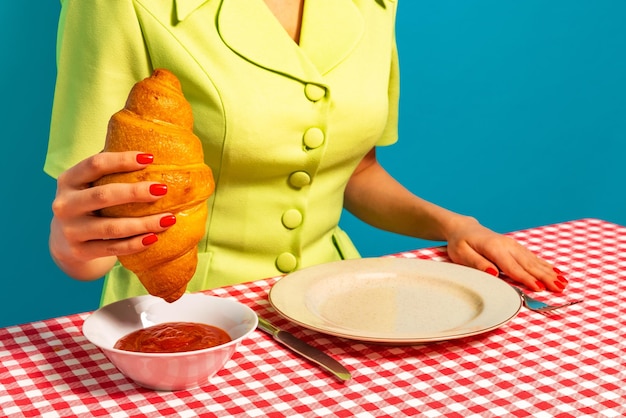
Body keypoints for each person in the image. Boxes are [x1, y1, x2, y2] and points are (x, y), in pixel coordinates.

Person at [45, 0, 568, 307]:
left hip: (340, 301)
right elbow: (98, 221)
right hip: (187, 316)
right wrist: (73, 246)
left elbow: (355, 172)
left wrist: (456, 226)